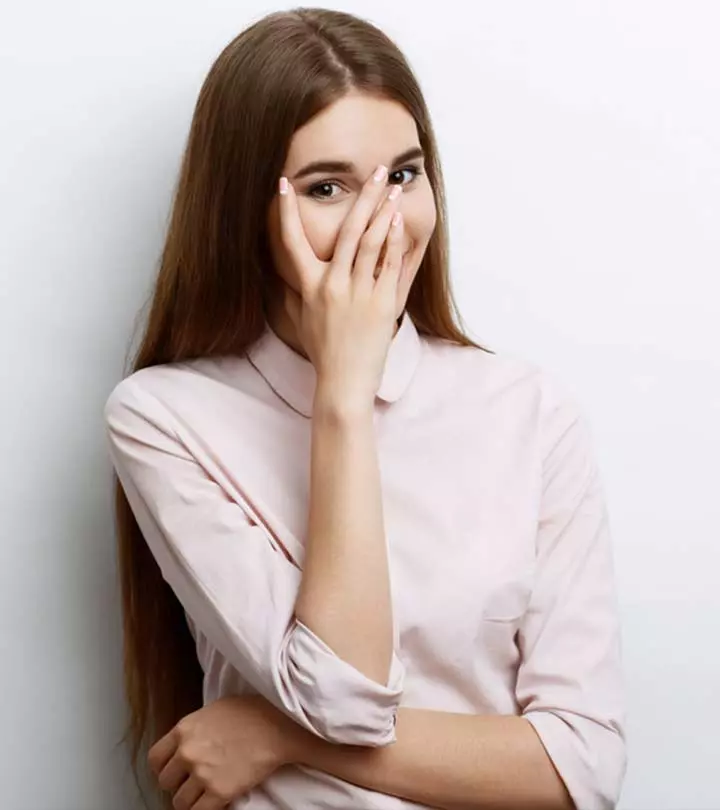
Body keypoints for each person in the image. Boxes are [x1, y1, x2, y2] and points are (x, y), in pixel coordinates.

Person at [103, 7, 627, 810]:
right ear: (248, 212)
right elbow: (343, 697)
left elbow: (579, 769)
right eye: (326, 187)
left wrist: (276, 733)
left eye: (405, 174)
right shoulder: (166, 417)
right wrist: (343, 392)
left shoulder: (529, 411)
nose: (382, 220)